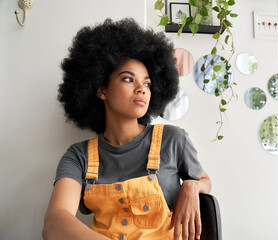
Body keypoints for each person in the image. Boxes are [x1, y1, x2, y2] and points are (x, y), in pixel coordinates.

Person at [42, 18, 211, 240]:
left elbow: (205, 181)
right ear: (101, 90)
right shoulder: (79, 156)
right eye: (128, 79)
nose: (142, 89)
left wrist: (191, 185)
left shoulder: (172, 139)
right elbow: (55, 222)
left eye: (147, 83)